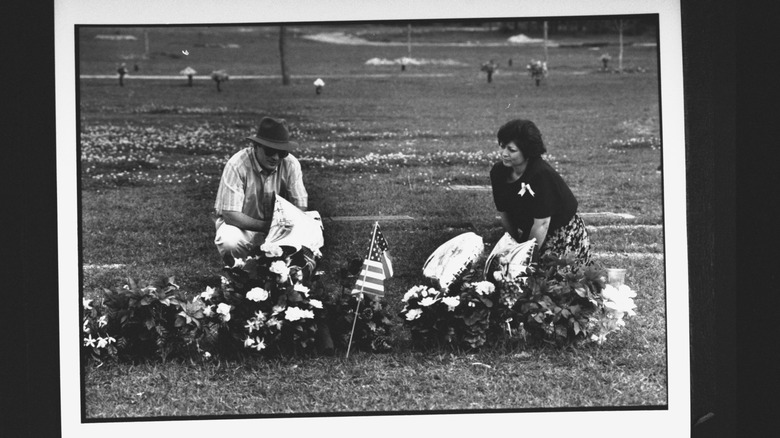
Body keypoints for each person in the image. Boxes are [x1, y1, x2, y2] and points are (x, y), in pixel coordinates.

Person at [489, 119, 592, 266]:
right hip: (532, 230)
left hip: (561, 232)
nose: (504, 153)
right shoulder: (498, 172)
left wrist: (524, 257)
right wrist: (513, 244)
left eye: (511, 150)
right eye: (502, 147)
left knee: (544, 273)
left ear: (527, 151)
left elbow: (542, 224)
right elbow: (504, 212)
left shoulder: (541, 175)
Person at [213, 116, 308, 265]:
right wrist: (266, 227)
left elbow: (300, 206)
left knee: (309, 231)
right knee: (229, 241)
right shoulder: (237, 165)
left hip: (280, 227)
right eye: (270, 151)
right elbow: (231, 216)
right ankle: (240, 270)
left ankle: (284, 271)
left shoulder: (291, 164)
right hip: (243, 227)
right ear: (256, 146)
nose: (276, 157)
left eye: (282, 153)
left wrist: (283, 227)